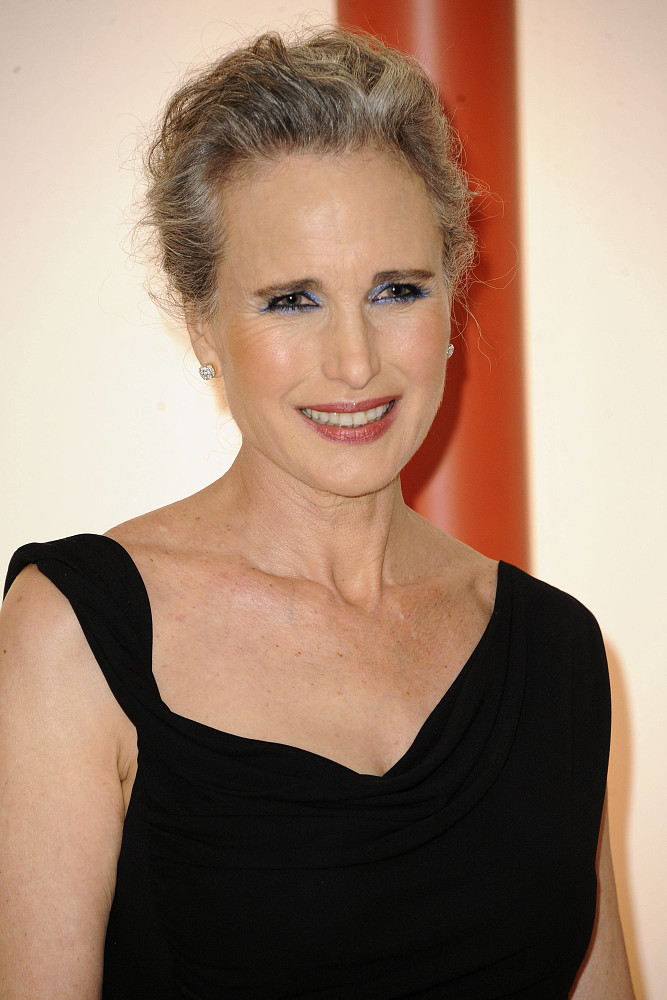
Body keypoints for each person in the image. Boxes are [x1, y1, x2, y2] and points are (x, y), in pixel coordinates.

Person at [0, 26, 635, 1000]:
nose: (355, 361)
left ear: (451, 299)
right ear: (202, 323)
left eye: (396, 290)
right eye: (292, 299)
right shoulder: (73, 634)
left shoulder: (558, 650)